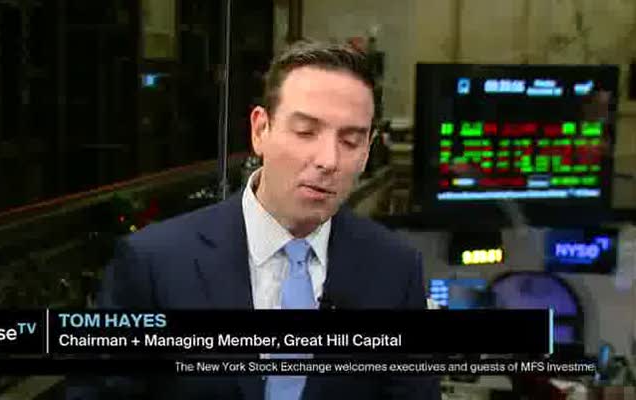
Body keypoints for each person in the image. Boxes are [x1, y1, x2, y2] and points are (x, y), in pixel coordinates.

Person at [66, 40, 440, 400]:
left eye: (350, 140)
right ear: (260, 130)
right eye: (306, 131)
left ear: (367, 151)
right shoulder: (153, 264)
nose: (328, 160)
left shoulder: (395, 270)